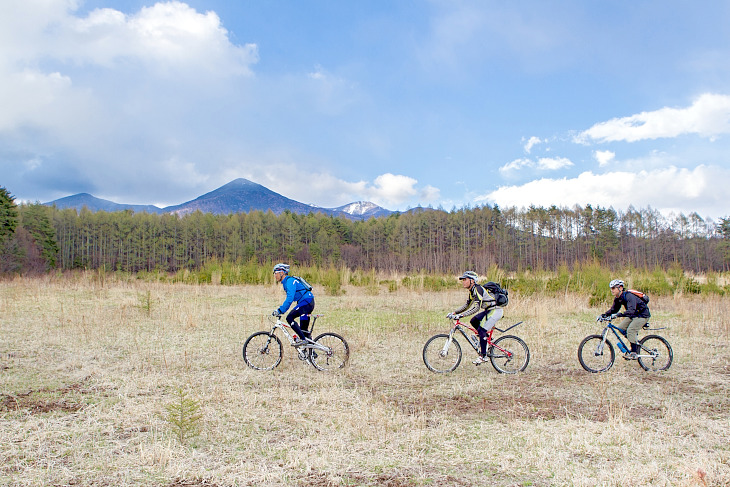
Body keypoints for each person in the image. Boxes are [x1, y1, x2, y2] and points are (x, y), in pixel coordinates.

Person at [447, 271, 504, 365]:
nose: (463, 282)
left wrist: (461, 315)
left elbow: (476, 307)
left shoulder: (478, 289)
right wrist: (454, 312)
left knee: (481, 330)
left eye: (465, 279)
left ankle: (483, 356)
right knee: (474, 321)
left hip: (495, 311)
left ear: (472, 281)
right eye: (463, 280)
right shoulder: (472, 290)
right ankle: (487, 339)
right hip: (489, 310)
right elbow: (467, 305)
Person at [601, 279, 651, 359]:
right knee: (621, 328)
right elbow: (614, 309)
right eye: (611, 288)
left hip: (642, 315)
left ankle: (634, 352)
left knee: (630, 331)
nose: (612, 290)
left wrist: (618, 315)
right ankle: (634, 341)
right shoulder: (618, 298)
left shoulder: (629, 296)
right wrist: (604, 315)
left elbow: (631, 311)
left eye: (614, 288)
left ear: (620, 288)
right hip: (634, 315)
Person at [272, 263, 315, 347]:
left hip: (306, 302)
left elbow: (289, 299)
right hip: (307, 302)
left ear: (282, 273)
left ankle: (303, 340)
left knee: (289, 317)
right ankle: (312, 354)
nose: (275, 275)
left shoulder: (289, 281)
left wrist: (280, 310)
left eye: (276, 273)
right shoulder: (287, 282)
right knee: (303, 330)